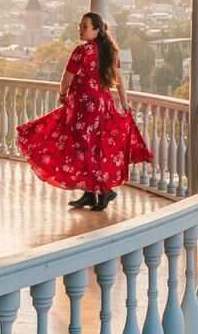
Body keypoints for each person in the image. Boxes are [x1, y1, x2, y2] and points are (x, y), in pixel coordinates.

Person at [17, 12, 152, 211]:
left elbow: (67, 77)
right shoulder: (109, 52)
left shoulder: (81, 51)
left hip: (84, 108)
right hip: (103, 106)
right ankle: (91, 192)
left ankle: (104, 191)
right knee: (95, 149)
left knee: (83, 148)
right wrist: (124, 103)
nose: (80, 30)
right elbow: (119, 80)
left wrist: (62, 93)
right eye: (80, 26)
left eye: (85, 26)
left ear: (97, 30)